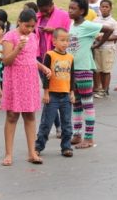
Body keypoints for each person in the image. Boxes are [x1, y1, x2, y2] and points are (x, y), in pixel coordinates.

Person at [1, 9, 51, 166]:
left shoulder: (34, 36)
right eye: (26, 26)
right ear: (18, 21)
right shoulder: (10, 36)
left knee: (30, 116)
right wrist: (18, 48)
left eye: (32, 26)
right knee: (12, 116)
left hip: (29, 79)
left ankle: (32, 152)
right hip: (14, 79)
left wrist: (43, 67)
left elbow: (31, 59)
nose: (29, 29)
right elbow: (6, 61)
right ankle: (9, 154)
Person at [68, 0, 112, 149]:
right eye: (69, 8)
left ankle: (89, 138)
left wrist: (98, 44)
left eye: (73, 9)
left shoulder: (88, 25)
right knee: (77, 104)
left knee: (87, 104)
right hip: (72, 71)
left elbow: (109, 29)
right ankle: (77, 134)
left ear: (81, 11)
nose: (70, 11)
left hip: (84, 70)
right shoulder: (71, 25)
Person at [35, 28, 75, 157]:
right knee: (46, 123)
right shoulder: (50, 55)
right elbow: (46, 75)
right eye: (62, 40)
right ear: (54, 41)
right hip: (52, 95)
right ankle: (38, 146)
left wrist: (72, 92)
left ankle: (66, 147)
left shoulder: (70, 57)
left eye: (67, 40)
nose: (65, 43)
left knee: (67, 124)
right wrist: (46, 93)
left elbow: (72, 76)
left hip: (66, 96)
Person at [36, 0, 71, 137]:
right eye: (41, 10)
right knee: (48, 94)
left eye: (46, 10)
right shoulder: (38, 17)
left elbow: (69, 34)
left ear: (52, 5)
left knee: (56, 94)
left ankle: (61, 126)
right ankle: (57, 126)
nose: (43, 13)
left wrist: (53, 30)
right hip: (42, 57)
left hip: (58, 59)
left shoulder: (63, 15)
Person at [93, 0, 117, 98]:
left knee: (106, 70)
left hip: (107, 48)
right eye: (102, 7)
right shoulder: (96, 20)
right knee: (97, 70)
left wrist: (105, 38)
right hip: (97, 47)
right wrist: (96, 37)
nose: (104, 9)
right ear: (99, 8)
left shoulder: (113, 22)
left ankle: (105, 89)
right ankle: (98, 88)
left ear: (110, 8)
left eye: (106, 7)